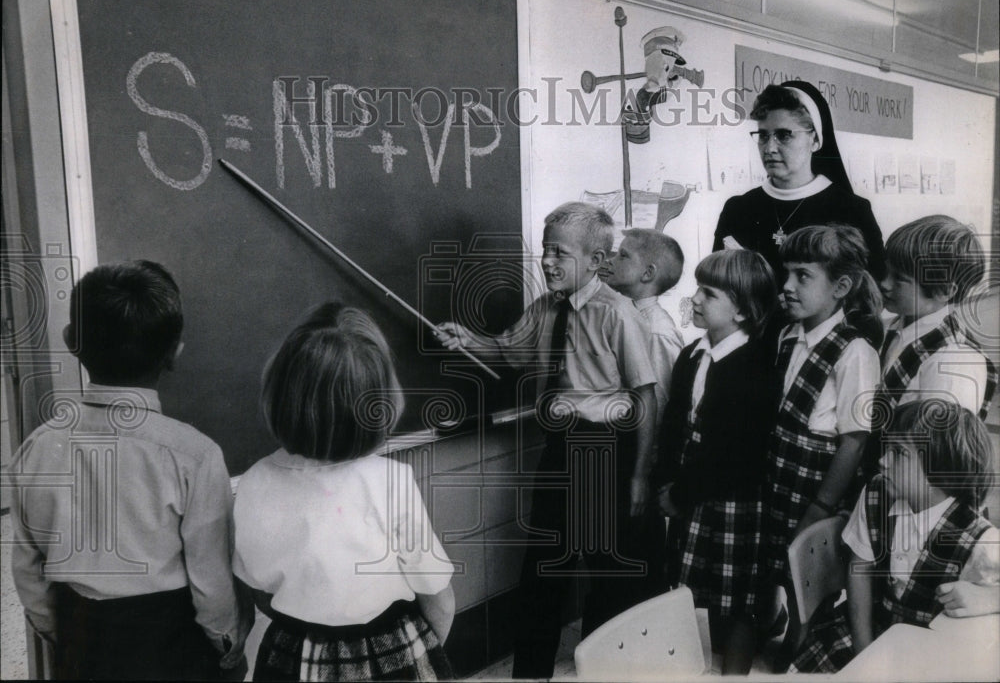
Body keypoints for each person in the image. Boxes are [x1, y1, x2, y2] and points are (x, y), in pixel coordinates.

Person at [436, 201, 660, 679]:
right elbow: (505, 350)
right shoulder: (544, 309)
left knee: (607, 573)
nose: (547, 261)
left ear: (597, 261)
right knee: (543, 569)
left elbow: (645, 398)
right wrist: (467, 339)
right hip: (559, 453)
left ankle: (605, 669)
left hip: (606, 452)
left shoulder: (617, 315)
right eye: (544, 251)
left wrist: (640, 475)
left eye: (559, 252)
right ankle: (531, 673)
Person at [9, 260, 250, 680]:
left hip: (81, 637)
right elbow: (210, 581)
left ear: (70, 341)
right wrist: (227, 643)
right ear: (175, 351)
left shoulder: (36, 449)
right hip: (169, 644)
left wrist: (55, 631)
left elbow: (29, 567)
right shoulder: (195, 455)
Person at [232, 303, 455, 681]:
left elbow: (258, 592)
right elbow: (437, 596)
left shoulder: (254, 481)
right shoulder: (391, 481)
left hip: (291, 653)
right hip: (391, 648)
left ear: (281, 393)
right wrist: (426, 655)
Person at [791, 400, 1000, 673]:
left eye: (899, 453)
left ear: (939, 470)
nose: (882, 461)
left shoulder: (980, 538)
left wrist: (990, 598)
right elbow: (860, 571)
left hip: (930, 657)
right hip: (870, 630)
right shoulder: (877, 494)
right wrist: (865, 652)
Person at [759, 224, 882, 662]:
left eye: (803, 276)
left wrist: (822, 506)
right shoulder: (787, 337)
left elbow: (854, 441)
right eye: (785, 274)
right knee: (779, 571)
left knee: (809, 585)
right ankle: (780, 633)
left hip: (816, 490)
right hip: (779, 477)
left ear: (841, 287)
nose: (787, 286)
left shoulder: (856, 353)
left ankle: (799, 653)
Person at [653, 249, 780, 674]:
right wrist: (667, 483)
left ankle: (735, 673)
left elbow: (735, 453)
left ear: (743, 309)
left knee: (737, 598)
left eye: (708, 293)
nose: (696, 299)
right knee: (691, 590)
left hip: (731, 498)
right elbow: (674, 423)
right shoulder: (692, 354)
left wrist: (683, 492)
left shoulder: (755, 367)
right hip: (689, 492)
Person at [714, 81, 886, 282]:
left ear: (815, 140)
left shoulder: (852, 210)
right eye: (763, 136)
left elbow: (870, 292)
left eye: (783, 135)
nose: (769, 148)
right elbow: (717, 284)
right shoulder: (738, 209)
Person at [868, 215, 998, 475]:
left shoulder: (955, 360)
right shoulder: (891, 328)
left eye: (900, 279)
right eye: (886, 270)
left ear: (945, 291)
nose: (884, 284)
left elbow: (941, 457)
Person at [603, 227, 686, 424]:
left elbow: (658, 408)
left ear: (648, 273)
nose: (610, 261)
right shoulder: (621, 316)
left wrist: (647, 455)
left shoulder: (656, 332)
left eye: (623, 256)